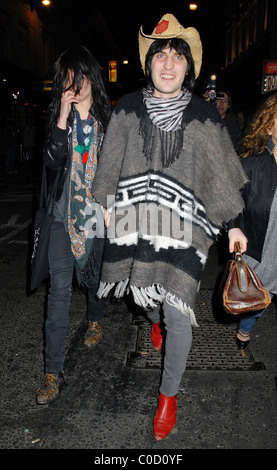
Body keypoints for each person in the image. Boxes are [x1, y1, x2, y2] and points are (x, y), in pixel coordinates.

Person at [91, 13, 247, 440]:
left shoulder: (203, 116)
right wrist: (105, 204)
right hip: (135, 222)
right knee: (146, 303)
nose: (168, 63)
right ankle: (153, 320)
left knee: (178, 312)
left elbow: (222, 175)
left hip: (183, 228)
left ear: (187, 68)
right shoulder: (126, 108)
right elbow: (108, 165)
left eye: (177, 57)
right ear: (150, 64)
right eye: (160, 54)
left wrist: (233, 225)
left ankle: (168, 397)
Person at [36, 46, 111, 404]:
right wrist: (63, 118)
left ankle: (95, 318)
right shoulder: (58, 121)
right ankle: (53, 372)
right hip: (59, 219)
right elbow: (51, 162)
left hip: (95, 216)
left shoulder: (107, 122)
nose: (73, 84)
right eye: (66, 78)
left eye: (78, 76)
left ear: (91, 78)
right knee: (59, 293)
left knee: (95, 277)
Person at [228, 92, 277, 350]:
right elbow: (230, 197)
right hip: (262, 252)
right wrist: (234, 227)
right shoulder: (251, 166)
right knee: (259, 301)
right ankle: (246, 327)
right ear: (269, 127)